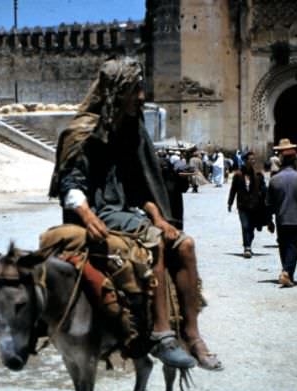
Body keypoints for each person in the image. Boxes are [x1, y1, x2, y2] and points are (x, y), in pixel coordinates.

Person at [48, 56, 221, 371]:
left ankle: (193, 334)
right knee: (153, 242)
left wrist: (158, 218)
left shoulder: (129, 131)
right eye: (135, 89)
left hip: (129, 213)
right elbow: (71, 184)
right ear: (117, 91)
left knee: (185, 245)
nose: (142, 96)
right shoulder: (82, 133)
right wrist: (87, 216)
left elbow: (140, 189)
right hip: (99, 213)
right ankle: (161, 333)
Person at [266, 138, 297, 287]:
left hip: (282, 218)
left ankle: (288, 275)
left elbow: (268, 203)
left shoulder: (274, 180)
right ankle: (287, 272)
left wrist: (269, 220)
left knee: (284, 245)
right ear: (295, 162)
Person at [228, 151, 268, 258]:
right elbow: (233, 190)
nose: (253, 161)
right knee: (245, 226)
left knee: (251, 228)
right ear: (245, 161)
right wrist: (230, 203)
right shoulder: (238, 175)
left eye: (254, 159)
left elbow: (264, 190)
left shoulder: (258, 175)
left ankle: (248, 243)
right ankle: (247, 247)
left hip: (255, 206)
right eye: (250, 159)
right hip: (243, 205)